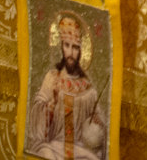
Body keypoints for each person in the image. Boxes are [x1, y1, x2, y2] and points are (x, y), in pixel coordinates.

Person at [28, 11, 108, 160]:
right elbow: (37, 117)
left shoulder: (88, 89)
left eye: (75, 47)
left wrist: (97, 121)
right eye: (67, 45)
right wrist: (49, 108)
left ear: (81, 51)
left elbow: (99, 121)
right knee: (44, 154)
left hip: (80, 150)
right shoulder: (52, 78)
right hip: (54, 147)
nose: (70, 52)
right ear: (61, 47)